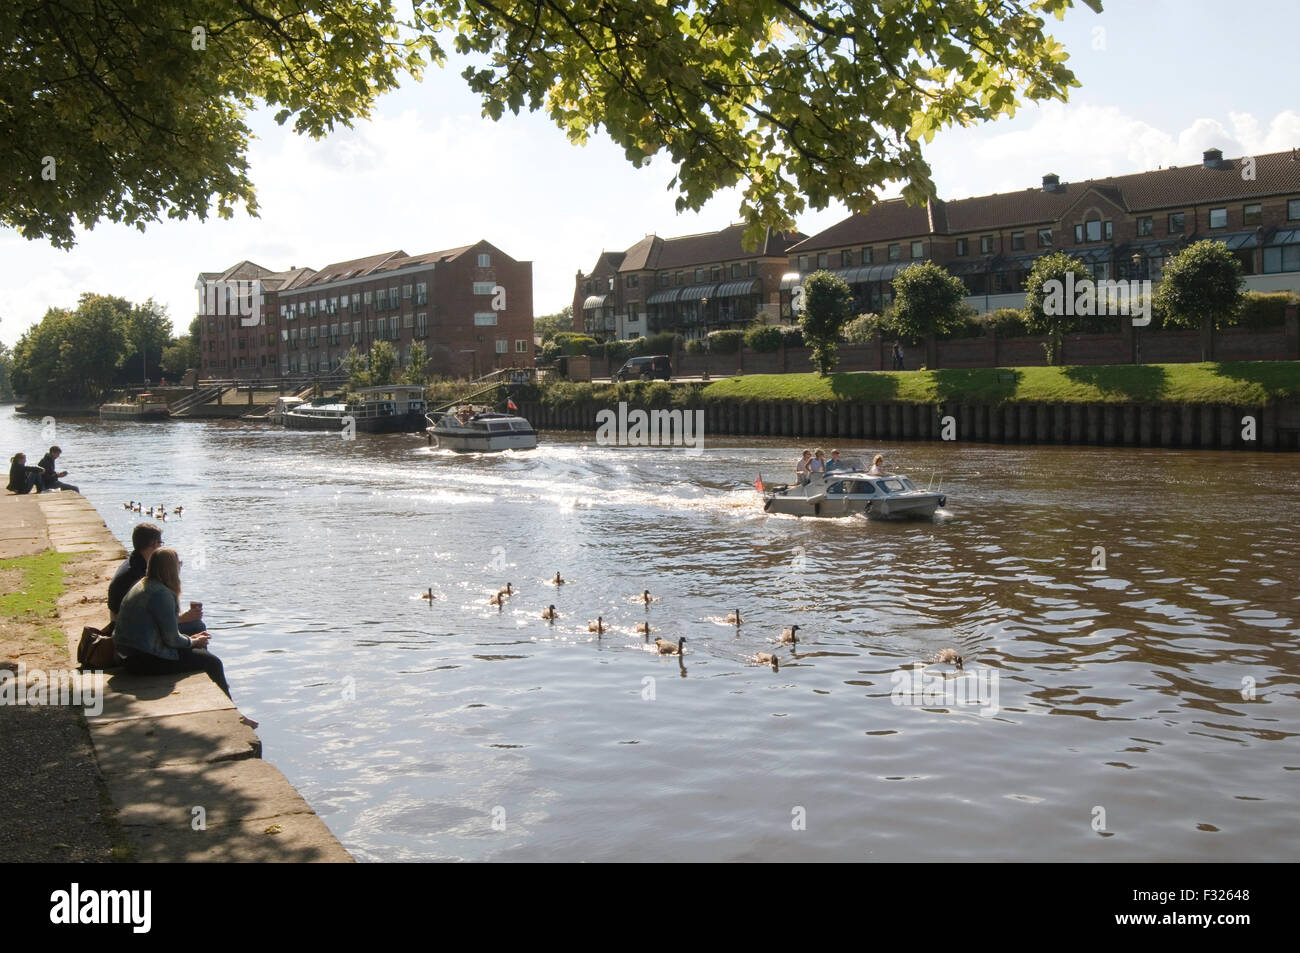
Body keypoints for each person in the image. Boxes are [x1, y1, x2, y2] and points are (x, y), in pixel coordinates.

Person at [114, 548, 254, 726]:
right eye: (178, 563)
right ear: (170, 569)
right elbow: (172, 640)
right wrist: (193, 641)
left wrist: (191, 639)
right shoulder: (162, 594)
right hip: (142, 660)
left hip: (127, 652)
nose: (180, 566)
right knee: (213, 662)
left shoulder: (145, 583)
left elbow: (163, 629)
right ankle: (234, 715)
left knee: (196, 627)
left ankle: (210, 685)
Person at [108, 523, 205, 633]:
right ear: (154, 544)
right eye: (160, 543)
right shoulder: (138, 576)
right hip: (129, 630)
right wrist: (182, 618)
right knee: (197, 626)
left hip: (123, 624)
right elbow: (147, 619)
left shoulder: (134, 562)